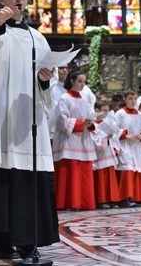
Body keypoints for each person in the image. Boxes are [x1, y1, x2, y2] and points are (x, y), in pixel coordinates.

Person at [0, 0, 58, 260]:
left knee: (28, 178)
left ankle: (28, 240)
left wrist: (45, 79)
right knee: (2, 176)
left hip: (28, 122)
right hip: (1, 121)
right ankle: (2, 241)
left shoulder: (38, 38)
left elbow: (48, 87)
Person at [52, 69, 97, 210]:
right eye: (79, 81)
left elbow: (90, 115)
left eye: (84, 82)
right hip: (69, 141)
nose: (82, 85)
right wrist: (80, 124)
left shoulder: (84, 100)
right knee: (70, 173)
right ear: (71, 81)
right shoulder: (65, 98)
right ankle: (68, 203)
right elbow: (62, 120)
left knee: (83, 172)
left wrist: (91, 123)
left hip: (83, 140)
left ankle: (84, 202)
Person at [115, 90, 141, 207]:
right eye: (130, 98)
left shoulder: (140, 115)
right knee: (127, 170)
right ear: (125, 99)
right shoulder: (120, 113)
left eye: (135, 99)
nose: (133, 101)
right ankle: (124, 198)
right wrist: (125, 135)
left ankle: (135, 196)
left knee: (135, 171)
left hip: (136, 146)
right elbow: (114, 130)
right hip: (125, 145)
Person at [92, 100, 121, 209]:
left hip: (108, 153)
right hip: (99, 156)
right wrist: (105, 138)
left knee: (110, 177)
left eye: (107, 111)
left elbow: (115, 137)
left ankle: (112, 199)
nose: (106, 113)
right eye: (104, 111)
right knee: (101, 179)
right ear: (96, 110)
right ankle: (101, 200)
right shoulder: (92, 124)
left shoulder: (108, 123)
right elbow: (93, 140)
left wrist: (115, 146)